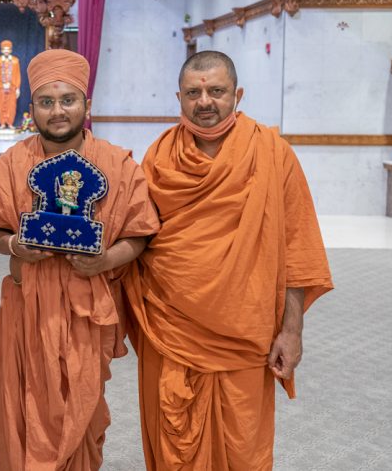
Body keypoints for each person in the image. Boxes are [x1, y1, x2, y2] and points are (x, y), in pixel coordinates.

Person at [124, 50, 334, 470]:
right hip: (171, 327)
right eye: (193, 93)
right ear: (179, 98)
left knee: (242, 445)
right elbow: (137, 236)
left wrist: (292, 331)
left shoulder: (273, 154)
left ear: (237, 94)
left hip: (245, 332)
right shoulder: (160, 158)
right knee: (173, 437)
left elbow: (298, 248)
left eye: (216, 91)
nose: (205, 102)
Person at [0, 48, 160, 470]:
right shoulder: (11, 165)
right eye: (46, 102)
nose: (58, 111)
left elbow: (140, 234)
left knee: (80, 414)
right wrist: (14, 248)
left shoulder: (118, 164)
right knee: (22, 411)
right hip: (27, 308)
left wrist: (105, 260)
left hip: (88, 312)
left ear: (86, 105)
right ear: (32, 109)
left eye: (68, 100)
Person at [0, 40, 22, 130]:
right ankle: (2, 123)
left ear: (10, 50)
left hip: (12, 87)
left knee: (11, 106)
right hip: (1, 87)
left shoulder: (15, 61)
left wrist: (17, 88)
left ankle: (10, 123)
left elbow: (18, 75)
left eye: (8, 49)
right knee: (1, 105)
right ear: (1, 50)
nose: (6, 51)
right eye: (4, 49)